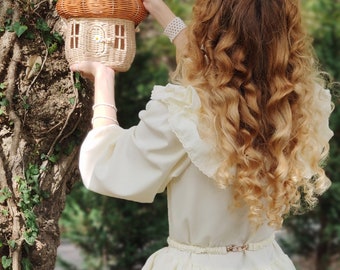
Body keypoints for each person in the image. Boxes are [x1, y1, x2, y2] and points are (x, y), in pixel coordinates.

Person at [70, 0, 334, 269]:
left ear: (211, 30)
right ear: (286, 34)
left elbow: (106, 165)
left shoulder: (184, 112)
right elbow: (225, 70)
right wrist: (162, 12)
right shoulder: (301, 106)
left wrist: (104, 76)